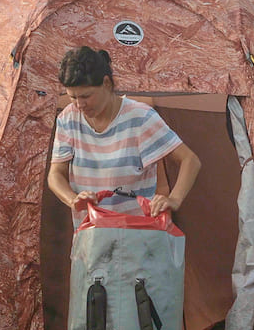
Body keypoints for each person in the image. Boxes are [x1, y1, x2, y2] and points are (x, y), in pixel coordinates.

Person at [47, 46, 201, 224]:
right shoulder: (68, 118)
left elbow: (190, 160)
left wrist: (174, 200)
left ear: (106, 83)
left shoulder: (140, 117)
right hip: (90, 235)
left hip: (136, 232)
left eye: (86, 96)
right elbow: (56, 174)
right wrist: (72, 199)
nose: (80, 105)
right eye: (73, 97)